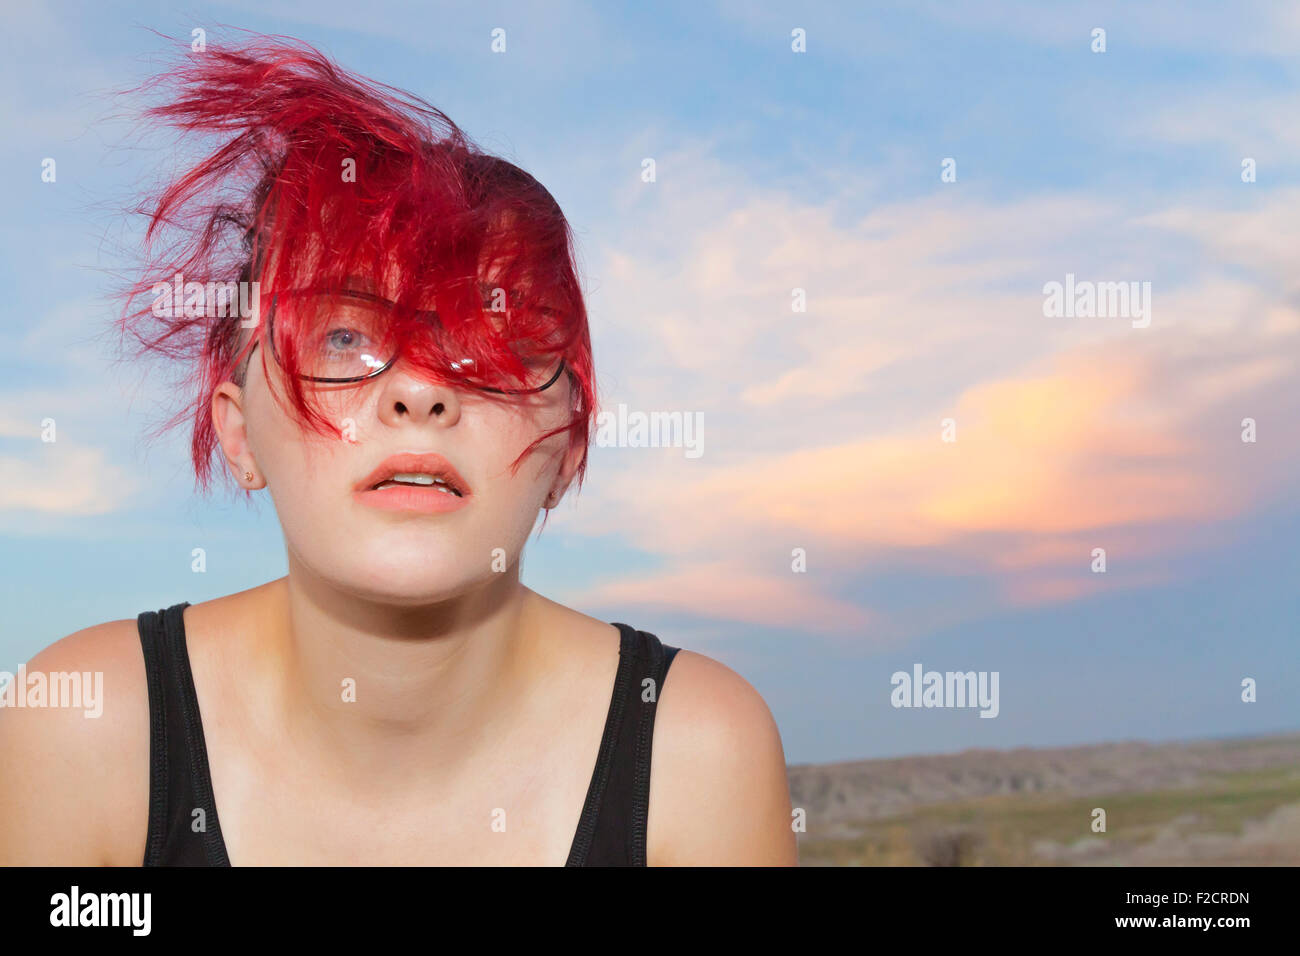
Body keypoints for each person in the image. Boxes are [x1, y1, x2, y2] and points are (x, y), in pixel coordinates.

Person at [0, 35, 796, 866]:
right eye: (342, 335)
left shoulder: (696, 752)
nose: (419, 393)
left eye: (492, 338)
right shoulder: (86, 725)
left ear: (569, 448)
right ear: (238, 431)